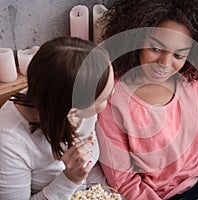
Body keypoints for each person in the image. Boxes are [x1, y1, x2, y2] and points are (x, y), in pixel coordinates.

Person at [95, 0, 198, 199]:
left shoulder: (192, 80)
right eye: (156, 49)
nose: (165, 64)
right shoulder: (112, 98)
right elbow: (124, 181)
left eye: (178, 55)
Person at [0, 36, 114, 199]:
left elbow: (91, 167)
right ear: (72, 112)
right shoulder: (9, 142)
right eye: (104, 98)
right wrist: (69, 179)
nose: (113, 94)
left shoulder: (73, 96)